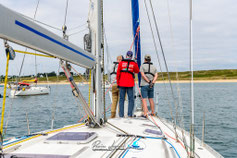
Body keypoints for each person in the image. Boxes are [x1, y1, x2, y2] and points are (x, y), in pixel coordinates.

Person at [117, 51, 139, 117]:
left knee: (121, 99)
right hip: (130, 84)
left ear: (126, 55)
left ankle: (121, 115)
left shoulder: (121, 63)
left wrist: (118, 83)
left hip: (121, 83)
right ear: (131, 56)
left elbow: (118, 74)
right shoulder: (133, 63)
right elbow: (137, 71)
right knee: (131, 99)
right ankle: (129, 115)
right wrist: (135, 62)